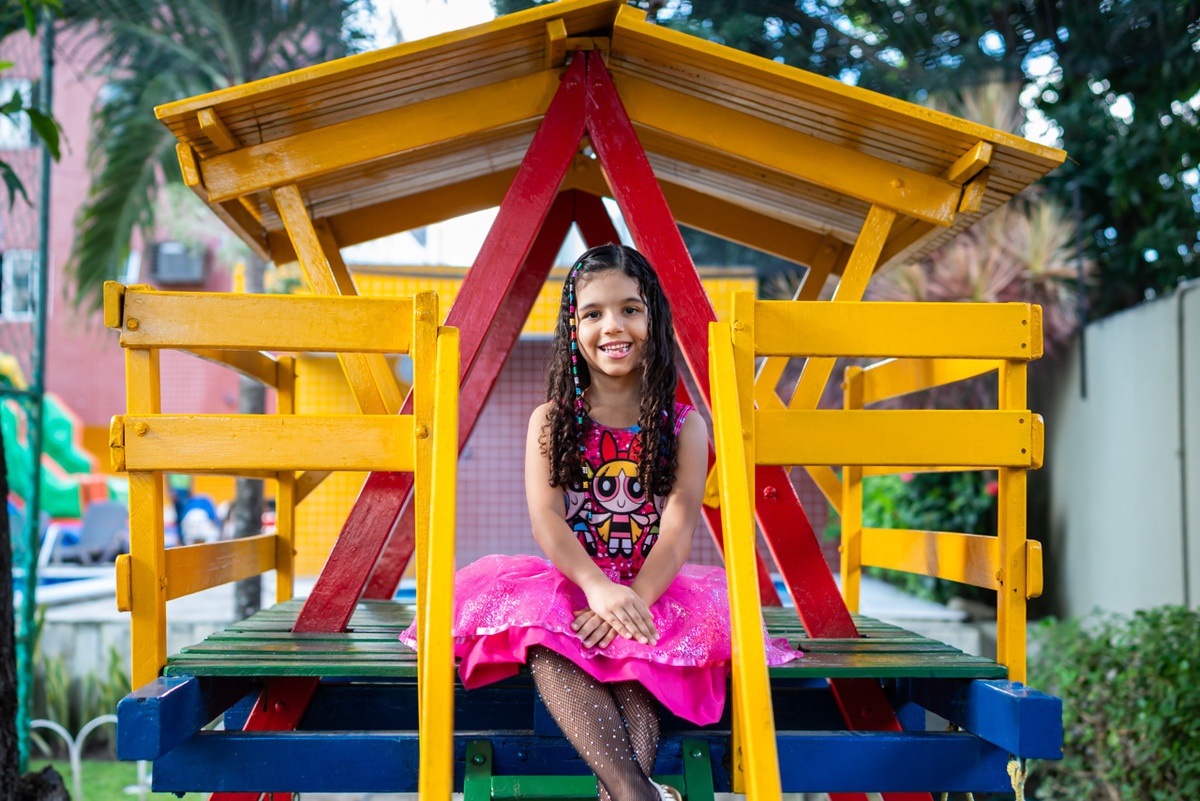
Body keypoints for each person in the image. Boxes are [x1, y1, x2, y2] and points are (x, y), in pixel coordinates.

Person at [400, 244, 799, 801]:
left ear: (653, 319)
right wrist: (597, 588)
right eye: (593, 313)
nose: (612, 326)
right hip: (574, 580)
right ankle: (640, 794)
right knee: (546, 639)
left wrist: (630, 600)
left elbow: (678, 527)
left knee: (636, 658)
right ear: (573, 328)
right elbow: (546, 518)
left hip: (651, 586)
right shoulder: (551, 420)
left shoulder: (684, 426)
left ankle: (633, 794)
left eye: (630, 309)